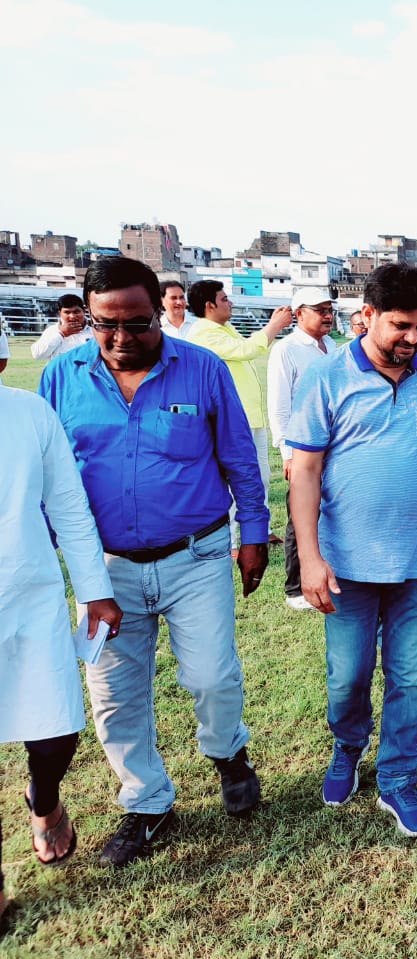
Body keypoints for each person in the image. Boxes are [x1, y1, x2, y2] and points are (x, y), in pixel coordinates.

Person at [38, 256, 270, 867]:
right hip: (102, 568)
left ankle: (228, 754)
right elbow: (46, 480)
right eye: (104, 324)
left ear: (162, 313)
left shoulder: (203, 370)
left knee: (211, 676)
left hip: (196, 556)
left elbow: (241, 461)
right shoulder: (61, 379)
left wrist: (254, 535)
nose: (121, 338)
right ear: (89, 317)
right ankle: (146, 804)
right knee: (114, 693)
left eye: (137, 324)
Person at [287, 262, 417, 837]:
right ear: (365, 317)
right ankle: (348, 747)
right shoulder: (326, 377)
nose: (413, 338)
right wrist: (310, 558)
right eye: (400, 325)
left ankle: (398, 779)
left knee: (408, 678)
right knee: (349, 677)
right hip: (347, 566)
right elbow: (305, 470)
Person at [0, 387, 123, 917]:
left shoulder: (27, 411)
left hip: (27, 590)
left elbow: (68, 504)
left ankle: (44, 797)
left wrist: (95, 587)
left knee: (55, 729)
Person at [188, 279, 294, 543]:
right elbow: (247, 350)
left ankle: (261, 529)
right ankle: (236, 540)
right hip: (231, 421)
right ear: (209, 305)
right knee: (239, 480)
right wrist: (274, 326)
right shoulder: (203, 332)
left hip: (250, 417)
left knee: (261, 476)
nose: (230, 303)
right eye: (224, 299)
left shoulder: (223, 328)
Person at [267, 287, 338, 612]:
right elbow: (279, 407)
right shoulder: (287, 350)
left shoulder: (332, 347)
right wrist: (287, 452)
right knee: (300, 515)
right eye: (320, 310)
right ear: (299, 314)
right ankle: (296, 588)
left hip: (332, 444)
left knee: (330, 509)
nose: (327, 315)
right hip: (302, 447)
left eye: (329, 309)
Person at [30, 294, 93, 361]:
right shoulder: (53, 331)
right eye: (67, 312)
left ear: (83, 311)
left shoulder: (94, 331)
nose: (72, 316)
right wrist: (61, 334)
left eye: (76, 312)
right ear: (60, 313)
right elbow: (37, 355)